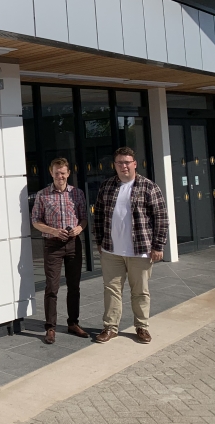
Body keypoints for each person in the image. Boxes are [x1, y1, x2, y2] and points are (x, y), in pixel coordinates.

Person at [92, 147, 168, 344]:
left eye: (127, 162)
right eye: (119, 162)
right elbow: (98, 214)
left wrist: (158, 246)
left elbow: (161, 218)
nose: (123, 166)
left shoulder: (149, 187)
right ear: (114, 165)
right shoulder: (107, 186)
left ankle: (142, 327)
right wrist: (99, 240)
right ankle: (110, 327)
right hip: (111, 250)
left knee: (140, 291)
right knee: (111, 290)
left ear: (135, 164)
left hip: (140, 250)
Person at [31, 158, 90, 344]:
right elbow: (35, 221)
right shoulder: (42, 195)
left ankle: (73, 323)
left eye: (63, 172)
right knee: (52, 287)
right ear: (51, 173)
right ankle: (50, 327)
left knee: (74, 286)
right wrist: (53, 231)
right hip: (53, 245)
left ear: (68, 173)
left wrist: (79, 229)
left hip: (73, 244)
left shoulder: (77, 194)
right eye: (57, 172)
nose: (60, 176)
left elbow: (84, 218)